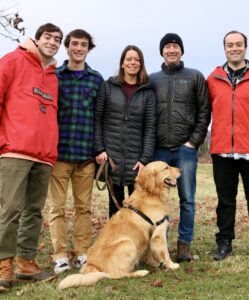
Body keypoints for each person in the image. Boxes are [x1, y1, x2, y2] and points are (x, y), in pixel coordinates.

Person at [0, 23, 63, 293]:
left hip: (44, 155)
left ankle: (26, 261)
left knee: (34, 211)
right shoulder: (13, 61)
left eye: (57, 39)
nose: (52, 42)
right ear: (36, 39)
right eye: (48, 37)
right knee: (10, 209)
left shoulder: (53, 76)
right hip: (15, 150)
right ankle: (3, 263)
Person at [207, 30, 249, 263]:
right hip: (222, 150)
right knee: (225, 201)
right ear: (224, 48)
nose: (234, 48)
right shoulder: (213, 78)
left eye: (238, 44)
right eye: (229, 45)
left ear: (246, 47)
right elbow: (206, 113)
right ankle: (224, 243)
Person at [149, 33, 211, 262]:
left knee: (187, 199)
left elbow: (205, 111)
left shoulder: (195, 77)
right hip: (159, 150)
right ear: (162, 51)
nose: (172, 50)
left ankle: (184, 245)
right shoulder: (152, 79)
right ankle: (159, 245)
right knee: (156, 200)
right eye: (167, 47)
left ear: (181, 51)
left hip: (185, 148)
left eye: (175, 46)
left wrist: (193, 141)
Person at [47, 29, 104, 274]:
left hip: (86, 156)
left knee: (84, 207)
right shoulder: (55, 76)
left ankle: (82, 252)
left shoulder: (96, 79)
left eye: (83, 45)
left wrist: (100, 149)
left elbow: (100, 116)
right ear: (67, 47)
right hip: (59, 154)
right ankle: (59, 254)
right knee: (56, 208)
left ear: (88, 49)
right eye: (74, 44)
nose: (78, 48)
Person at [95, 45, 156, 217]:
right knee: (115, 207)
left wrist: (145, 159)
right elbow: (98, 119)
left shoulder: (147, 92)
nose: (133, 63)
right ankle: (116, 242)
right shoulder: (108, 87)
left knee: (138, 208)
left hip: (136, 160)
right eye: (129, 59)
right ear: (122, 63)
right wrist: (100, 149)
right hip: (111, 157)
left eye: (137, 60)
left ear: (141, 64)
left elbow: (150, 127)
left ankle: (136, 241)